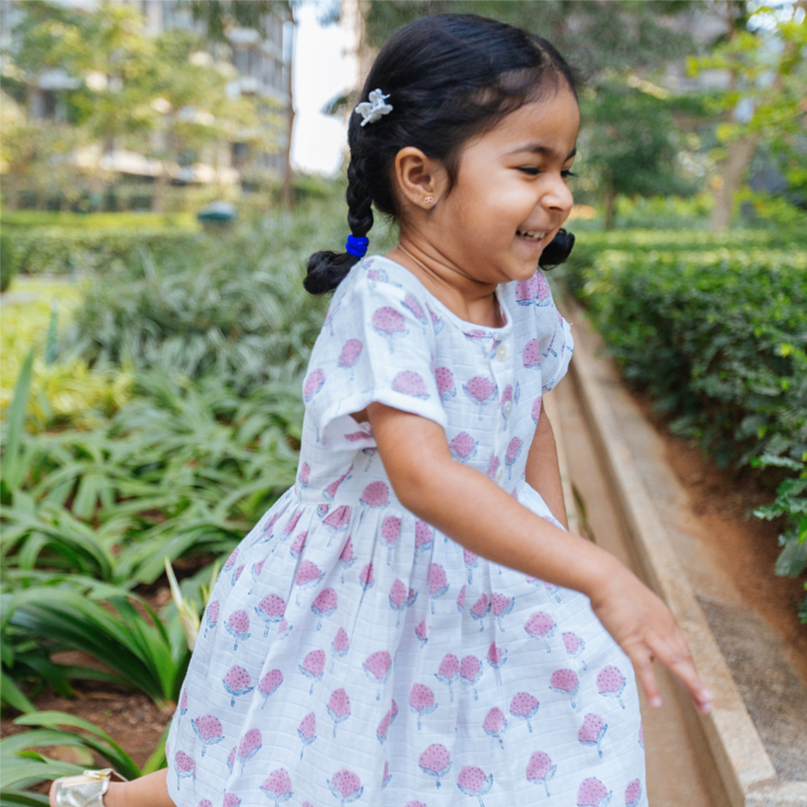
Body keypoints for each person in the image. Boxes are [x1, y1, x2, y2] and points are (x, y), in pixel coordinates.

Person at [51, 14, 712, 807]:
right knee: (310, 769)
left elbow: (531, 413)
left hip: (486, 571)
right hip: (366, 586)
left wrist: (557, 548)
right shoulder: (384, 302)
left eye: (565, 169)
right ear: (421, 176)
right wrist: (597, 573)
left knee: (518, 739)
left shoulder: (522, 293)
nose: (559, 196)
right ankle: (104, 802)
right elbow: (423, 477)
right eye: (531, 166)